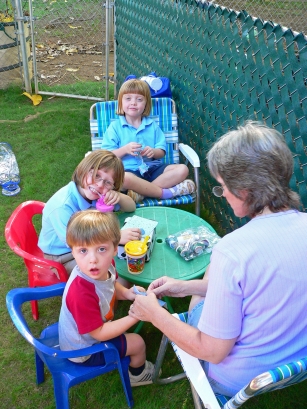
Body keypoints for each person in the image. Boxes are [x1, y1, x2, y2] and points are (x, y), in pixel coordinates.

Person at [129, 121, 307, 396]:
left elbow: (211, 351)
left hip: (238, 380)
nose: (222, 194)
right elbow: (263, 289)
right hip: (294, 366)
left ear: (245, 190)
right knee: (205, 285)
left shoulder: (232, 251)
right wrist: (186, 285)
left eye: (223, 186)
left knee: (208, 281)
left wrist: (154, 314)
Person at [59, 209, 158, 386]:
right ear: (72, 252)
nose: (93, 260)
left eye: (101, 249)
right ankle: (138, 375)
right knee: (137, 343)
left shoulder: (105, 267)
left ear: (114, 249)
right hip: (84, 351)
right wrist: (135, 316)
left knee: (127, 335)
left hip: (92, 333)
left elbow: (111, 284)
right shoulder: (80, 293)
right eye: (83, 250)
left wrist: (127, 293)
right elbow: (100, 333)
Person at [38, 150, 141, 274]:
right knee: (106, 269)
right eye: (96, 175)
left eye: (108, 182)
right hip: (62, 256)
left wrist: (118, 196)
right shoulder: (62, 207)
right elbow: (76, 242)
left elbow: (131, 207)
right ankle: (117, 291)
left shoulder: (98, 195)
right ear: (83, 171)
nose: (99, 185)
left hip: (90, 243)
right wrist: (116, 237)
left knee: (118, 260)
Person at [101, 79, 195, 203]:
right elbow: (107, 156)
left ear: (146, 104)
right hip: (129, 171)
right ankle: (165, 192)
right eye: (128, 99)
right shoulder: (115, 127)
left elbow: (161, 151)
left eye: (139, 99)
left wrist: (153, 152)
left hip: (153, 169)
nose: (133, 103)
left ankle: (141, 193)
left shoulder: (152, 126)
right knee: (123, 179)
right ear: (121, 103)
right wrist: (125, 150)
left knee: (183, 169)